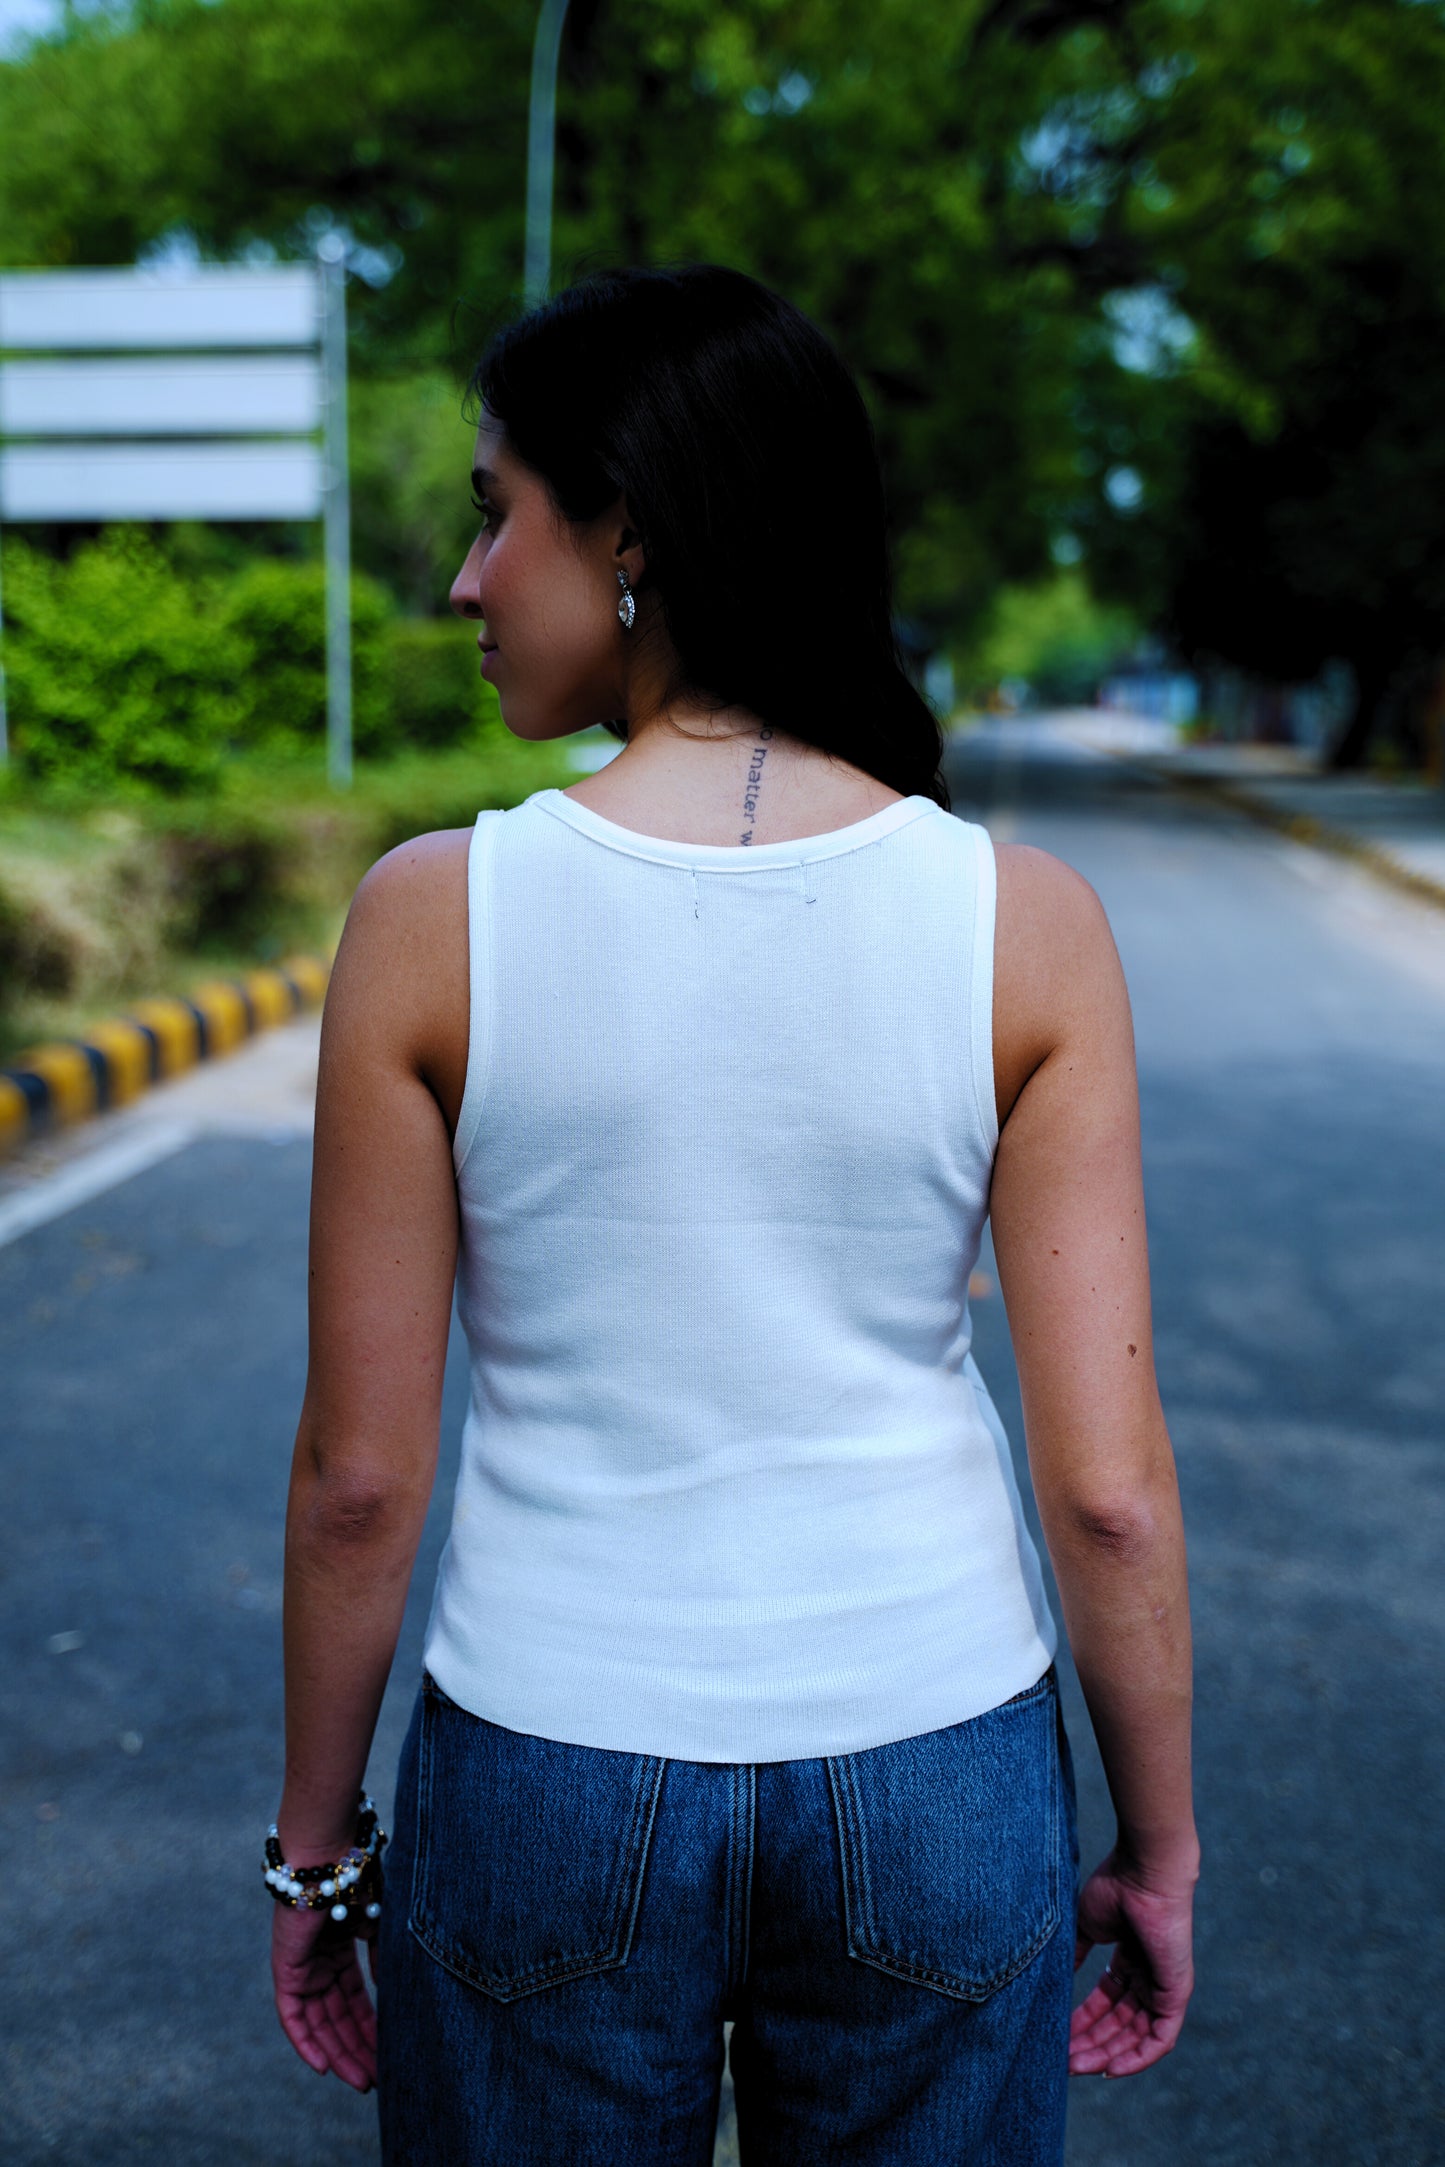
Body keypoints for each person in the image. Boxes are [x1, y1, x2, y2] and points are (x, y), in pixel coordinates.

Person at [266, 264, 1197, 2165]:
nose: (463, 576)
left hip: (544, 1755)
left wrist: (313, 1856)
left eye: (491, 505)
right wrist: (1156, 1844)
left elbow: (359, 1478)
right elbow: (1106, 1490)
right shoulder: (1021, 923)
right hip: (936, 1756)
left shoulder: (433, 917)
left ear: (628, 534)